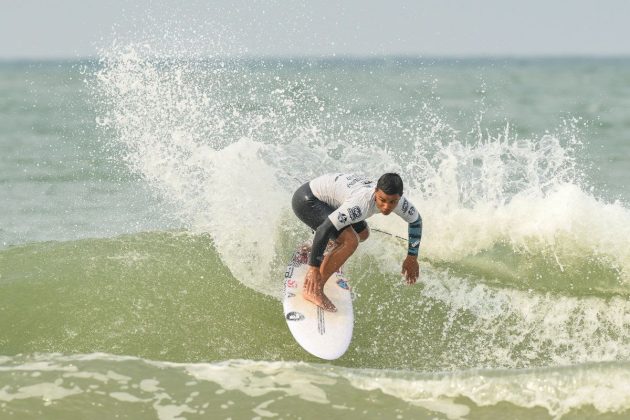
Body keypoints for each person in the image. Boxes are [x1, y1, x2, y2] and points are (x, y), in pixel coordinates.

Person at [292, 173, 423, 312]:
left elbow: (416, 222)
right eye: (382, 200)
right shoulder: (361, 204)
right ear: (375, 191)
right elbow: (323, 229)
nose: (386, 207)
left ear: (399, 197)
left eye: (392, 202)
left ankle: (319, 249)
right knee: (350, 241)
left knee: (363, 233)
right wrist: (314, 268)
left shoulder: (399, 202)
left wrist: (412, 257)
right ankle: (313, 289)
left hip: (334, 202)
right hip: (308, 201)